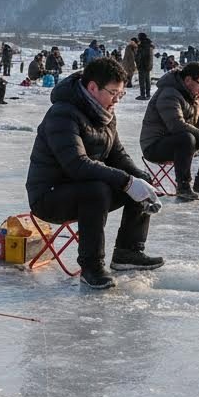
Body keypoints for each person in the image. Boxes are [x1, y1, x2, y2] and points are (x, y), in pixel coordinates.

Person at [26, 56, 164, 290]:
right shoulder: (62, 114)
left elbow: (117, 155)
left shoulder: (105, 113)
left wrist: (139, 180)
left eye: (120, 94)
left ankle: (127, 252)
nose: (116, 100)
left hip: (84, 188)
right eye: (113, 93)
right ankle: (92, 266)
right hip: (50, 196)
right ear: (92, 88)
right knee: (98, 190)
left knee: (140, 179)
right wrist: (127, 182)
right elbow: (77, 165)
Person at [140, 62, 199, 198]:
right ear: (188, 80)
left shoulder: (191, 95)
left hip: (175, 141)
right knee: (187, 138)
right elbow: (176, 125)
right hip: (154, 146)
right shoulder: (169, 93)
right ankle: (183, 185)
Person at [135, 32, 155, 100]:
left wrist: (138, 63)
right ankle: (148, 94)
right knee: (147, 80)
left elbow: (140, 56)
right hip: (148, 65)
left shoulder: (142, 45)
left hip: (142, 65)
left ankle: (142, 95)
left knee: (142, 81)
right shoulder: (149, 45)